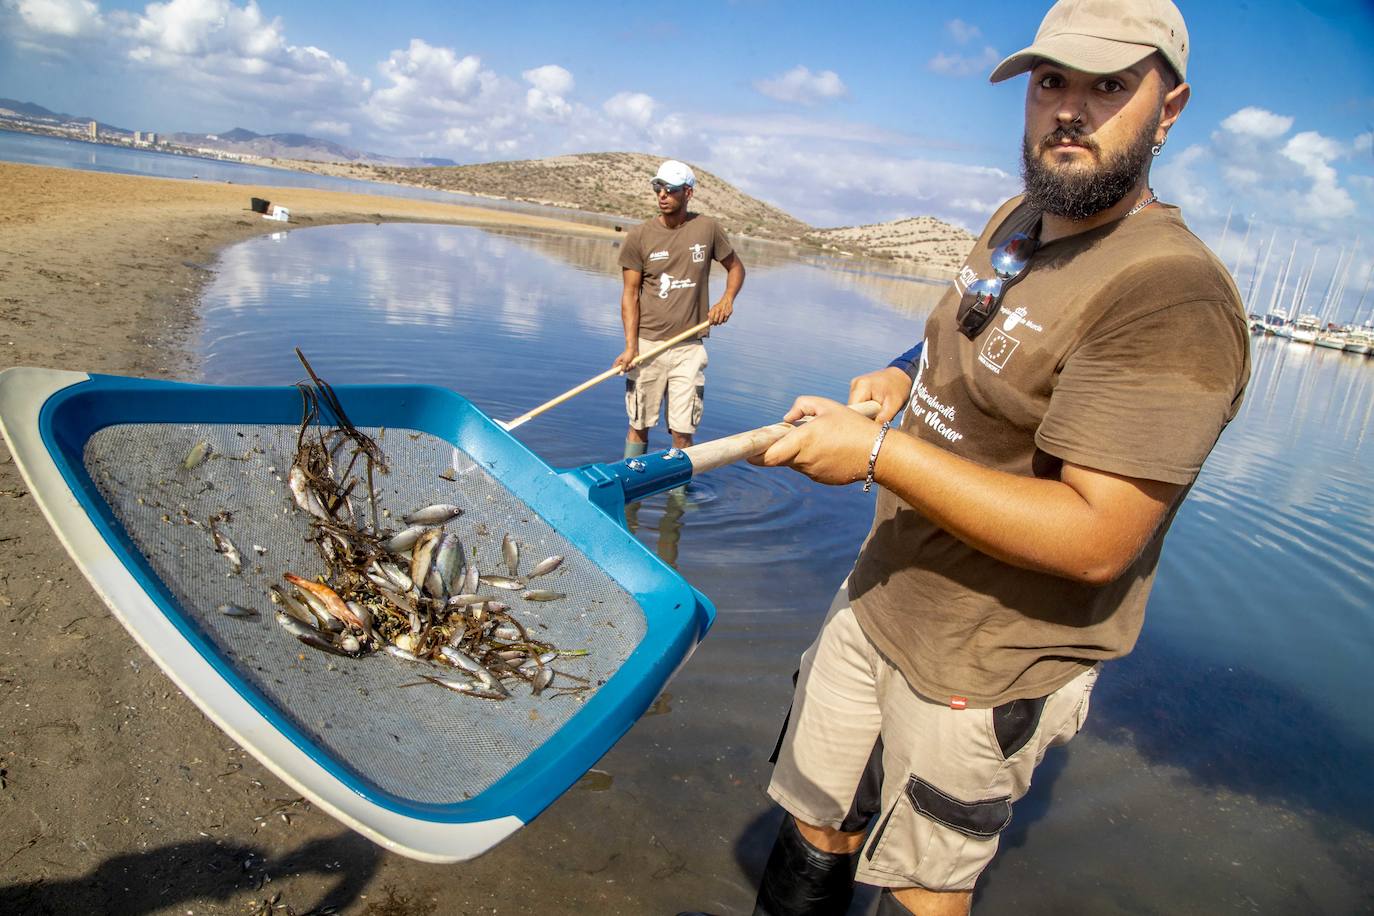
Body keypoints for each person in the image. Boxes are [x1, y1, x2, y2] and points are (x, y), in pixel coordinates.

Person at [688, 1, 1252, 914]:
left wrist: (876, 455)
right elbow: (965, 345)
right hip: (880, 596)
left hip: (986, 662)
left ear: (1170, 108)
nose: (1070, 109)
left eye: (1109, 86)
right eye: (1051, 82)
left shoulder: (1168, 298)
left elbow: (1098, 538)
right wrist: (899, 380)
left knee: (920, 885)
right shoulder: (1019, 221)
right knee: (816, 823)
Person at [614, 160, 745, 458]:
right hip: (647, 345)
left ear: (688, 193)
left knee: (683, 430)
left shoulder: (707, 230)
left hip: (689, 347)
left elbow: (736, 268)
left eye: (670, 190)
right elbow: (629, 295)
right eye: (658, 187)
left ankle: (678, 497)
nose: (662, 195)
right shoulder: (639, 237)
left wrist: (727, 299)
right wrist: (631, 346)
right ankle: (631, 485)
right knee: (639, 423)